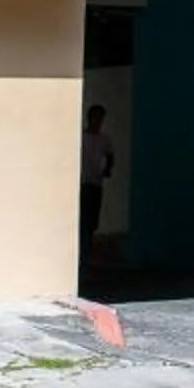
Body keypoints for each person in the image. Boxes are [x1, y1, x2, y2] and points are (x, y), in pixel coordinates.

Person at [79, 103, 114, 273]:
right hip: (83, 183)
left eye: (101, 119)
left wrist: (107, 170)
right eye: (96, 118)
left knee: (92, 222)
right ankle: (82, 256)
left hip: (95, 183)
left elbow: (110, 156)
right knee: (83, 220)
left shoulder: (104, 140)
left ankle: (87, 254)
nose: (98, 122)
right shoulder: (81, 138)